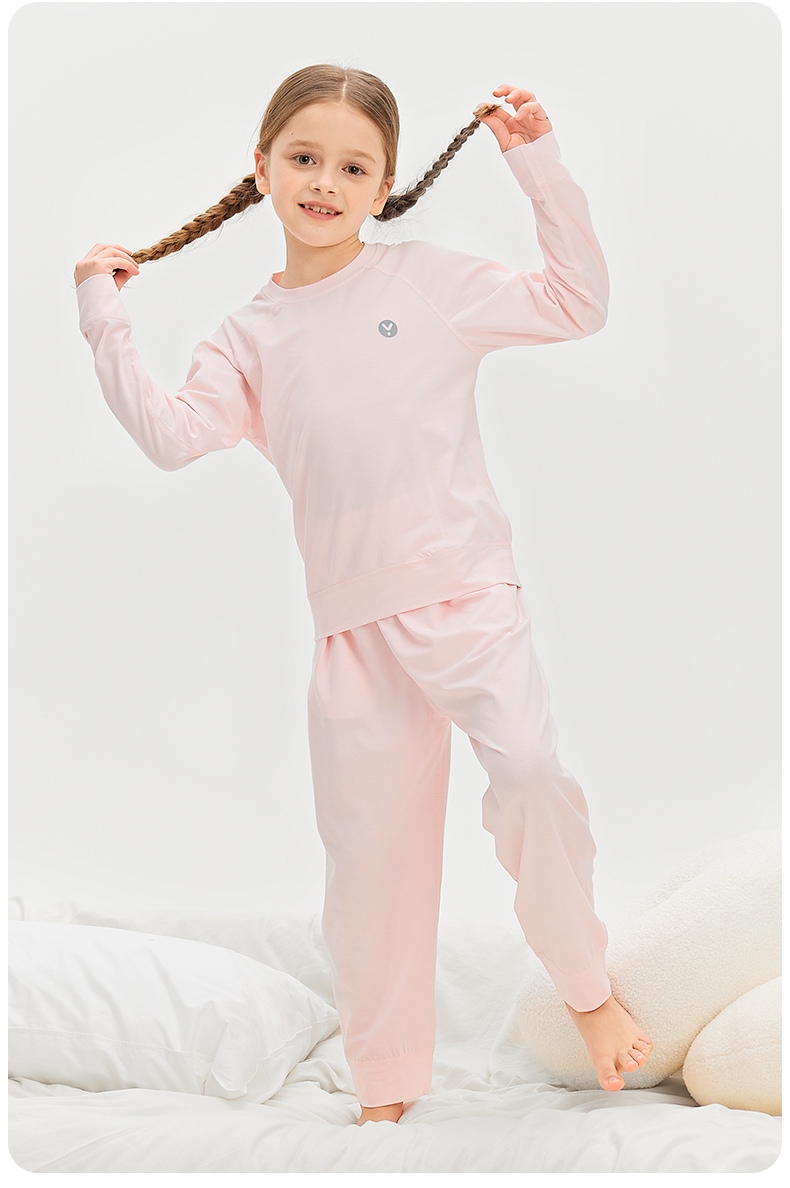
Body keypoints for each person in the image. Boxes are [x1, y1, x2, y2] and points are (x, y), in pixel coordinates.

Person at [73, 63, 653, 1126]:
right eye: (304, 159)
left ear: (385, 187)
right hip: (350, 635)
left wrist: (535, 163)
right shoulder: (246, 337)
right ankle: (386, 1082)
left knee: (530, 775)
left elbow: (579, 303)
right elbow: (171, 437)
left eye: (352, 168)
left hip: (467, 597)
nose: (324, 184)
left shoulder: (425, 282)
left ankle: (588, 990)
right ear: (261, 169)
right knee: (371, 866)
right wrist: (105, 318)